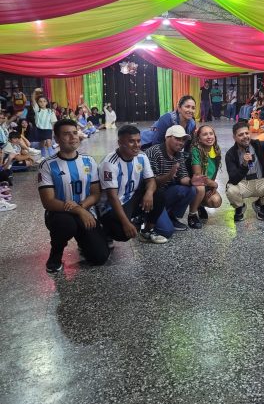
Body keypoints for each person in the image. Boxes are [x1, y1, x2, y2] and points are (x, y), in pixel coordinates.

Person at [38, 118, 110, 273]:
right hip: (60, 213)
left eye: (75, 133)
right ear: (57, 139)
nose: (73, 137)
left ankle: (83, 242)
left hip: (85, 210)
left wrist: (82, 207)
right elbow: (48, 201)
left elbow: (95, 193)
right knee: (66, 224)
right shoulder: (47, 165)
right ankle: (55, 254)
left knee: (100, 257)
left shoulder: (88, 161)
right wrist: (78, 210)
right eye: (66, 134)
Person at [98, 125, 167, 244]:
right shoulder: (109, 163)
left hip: (130, 198)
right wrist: (126, 224)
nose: (137, 145)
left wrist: (149, 193)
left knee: (158, 194)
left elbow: (151, 180)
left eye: (138, 141)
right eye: (131, 141)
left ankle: (147, 231)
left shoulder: (141, 156)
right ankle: (105, 231)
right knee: (122, 233)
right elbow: (112, 197)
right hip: (111, 206)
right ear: (120, 143)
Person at [225, 121, 264, 222]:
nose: (245, 136)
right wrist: (244, 165)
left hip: (260, 181)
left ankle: (260, 204)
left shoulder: (257, 145)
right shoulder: (230, 154)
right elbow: (233, 179)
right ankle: (240, 207)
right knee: (231, 190)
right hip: (243, 183)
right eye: (240, 135)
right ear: (234, 137)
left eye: (247, 133)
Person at [145, 125, 202, 232]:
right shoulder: (154, 152)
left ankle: (170, 215)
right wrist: (169, 175)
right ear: (167, 137)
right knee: (167, 231)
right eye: (177, 139)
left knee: (192, 189)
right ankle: (146, 216)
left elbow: (183, 176)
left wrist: (191, 181)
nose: (181, 143)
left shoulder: (179, 154)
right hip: (153, 196)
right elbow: (150, 183)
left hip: (167, 193)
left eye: (183, 140)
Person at [188, 125, 222, 226]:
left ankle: (199, 204)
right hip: (192, 184)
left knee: (216, 201)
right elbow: (198, 177)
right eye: (205, 134)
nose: (209, 136)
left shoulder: (216, 150)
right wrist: (214, 184)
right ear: (199, 138)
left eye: (211, 134)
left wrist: (212, 185)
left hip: (206, 184)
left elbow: (213, 173)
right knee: (200, 188)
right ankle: (192, 215)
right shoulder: (195, 150)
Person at [31, 88, 57, 158]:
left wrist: (53, 131)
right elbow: (33, 99)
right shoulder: (37, 110)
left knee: (48, 142)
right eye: (40, 101)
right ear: (38, 103)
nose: (42, 103)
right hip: (39, 129)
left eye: (44, 101)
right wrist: (35, 91)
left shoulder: (50, 111)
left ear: (47, 102)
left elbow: (53, 122)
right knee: (42, 143)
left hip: (48, 129)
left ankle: (52, 156)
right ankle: (43, 155)